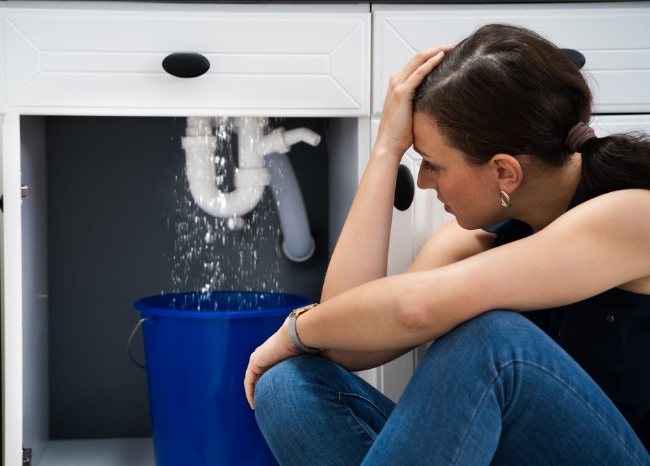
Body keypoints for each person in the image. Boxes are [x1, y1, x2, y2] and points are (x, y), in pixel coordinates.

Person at [244, 23, 650, 465]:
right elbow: (344, 343)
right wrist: (385, 150)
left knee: (491, 343)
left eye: (433, 164)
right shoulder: (480, 236)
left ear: (504, 173)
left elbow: (415, 307)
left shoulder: (632, 217)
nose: (421, 180)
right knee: (290, 383)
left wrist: (293, 330)